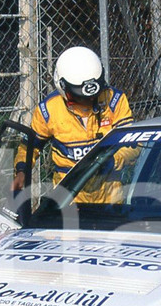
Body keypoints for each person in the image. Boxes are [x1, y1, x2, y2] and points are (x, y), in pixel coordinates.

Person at [12, 46, 134, 202]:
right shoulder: (48, 110)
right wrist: (22, 170)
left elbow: (134, 145)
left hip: (110, 198)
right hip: (68, 199)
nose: (89, 100)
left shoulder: (114, 101)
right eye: (80, 97)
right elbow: (30, 146)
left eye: (94, 95)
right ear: (63, 88)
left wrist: (111, 161)